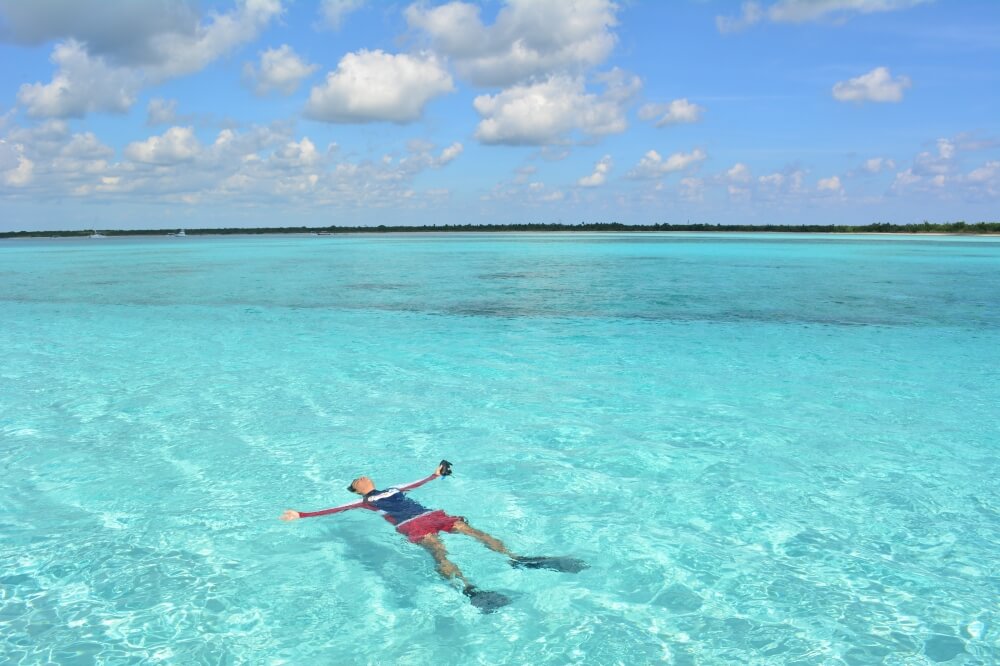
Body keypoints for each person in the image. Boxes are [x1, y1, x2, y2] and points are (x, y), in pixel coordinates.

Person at [280, 460, 584, 610]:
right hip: (411, 525)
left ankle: (517, 559)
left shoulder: (394, 488)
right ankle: (470, 589)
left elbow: (420, 482)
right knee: (439, 552)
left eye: (362, 476)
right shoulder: (363, 502)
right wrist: (301, 515)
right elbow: (332, 510)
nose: (361, 477)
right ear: (356, 488)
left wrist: (437, 474)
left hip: (431, 514)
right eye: (356, 481)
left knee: (471, 529)